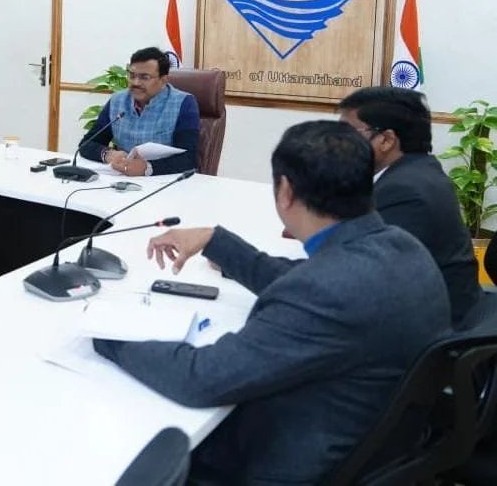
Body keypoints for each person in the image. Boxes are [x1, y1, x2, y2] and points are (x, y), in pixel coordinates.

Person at [93, 121, 450, 485]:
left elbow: (201, 378)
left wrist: (109, 335)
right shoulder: (403, 248)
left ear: (286, 191)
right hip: (379, 448)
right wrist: (216, 241)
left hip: (287, 465)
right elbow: (304, 279)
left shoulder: (326, 290)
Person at [338, 86, 481, 326]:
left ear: (386, 140)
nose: (337, 143)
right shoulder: (419, 170)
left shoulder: (403, 191)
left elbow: (362, 279)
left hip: (432, 334)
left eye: (347, 134)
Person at [78, 47, 199, 176]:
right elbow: (86, 144)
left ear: (163, 80)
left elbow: (188, 159)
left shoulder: (184, 103)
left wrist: (147, 168)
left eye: (144, 77)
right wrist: (107, 154)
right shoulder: (118, 101)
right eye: (132, 76)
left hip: (165, 180)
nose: (135, 82)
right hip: (121, 179)